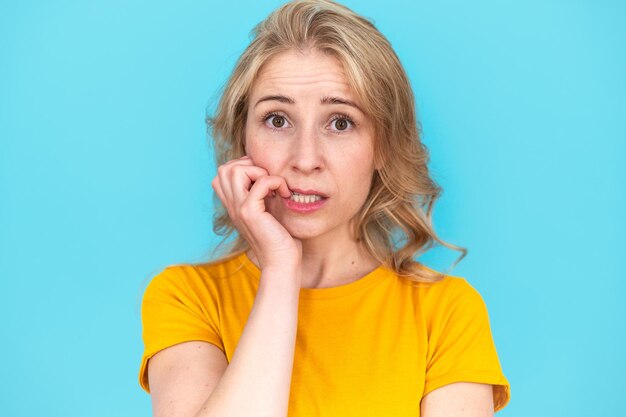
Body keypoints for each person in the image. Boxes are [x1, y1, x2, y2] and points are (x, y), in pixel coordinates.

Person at [138, 1, 511, 416]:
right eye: (277, 119)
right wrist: (281, 269)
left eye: (340, 122)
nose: (305, 158)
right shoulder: (187, 298)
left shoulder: (447, 313)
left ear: (382, 146)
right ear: (243, 137)